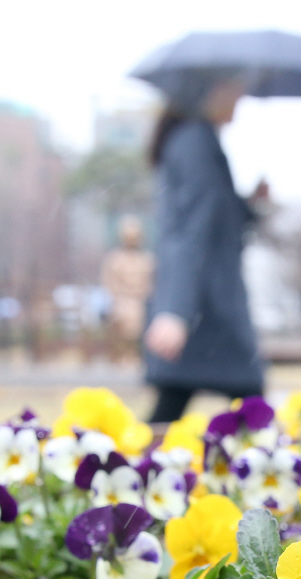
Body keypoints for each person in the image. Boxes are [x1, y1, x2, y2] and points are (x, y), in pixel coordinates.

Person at [144, 72, 266, 423]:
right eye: (235, 90)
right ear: (209, 92)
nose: (240, 100)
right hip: (207, 305)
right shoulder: (195, 143)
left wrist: (251, 204)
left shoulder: (197, 141)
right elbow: (192, 232)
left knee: (175, 404)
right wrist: (175, 312)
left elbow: (215, 220)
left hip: (206, 302)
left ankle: (126, 470)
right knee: (252, 409)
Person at [101, 215, 155, 362]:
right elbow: (110, 284)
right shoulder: (114, 259)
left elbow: (152, 284)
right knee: (126, 314)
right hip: (121, 301)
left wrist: (142, 295)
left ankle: (137, 355)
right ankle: (125, 355)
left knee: (140, 313)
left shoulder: (147, 259)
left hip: (142, 300)